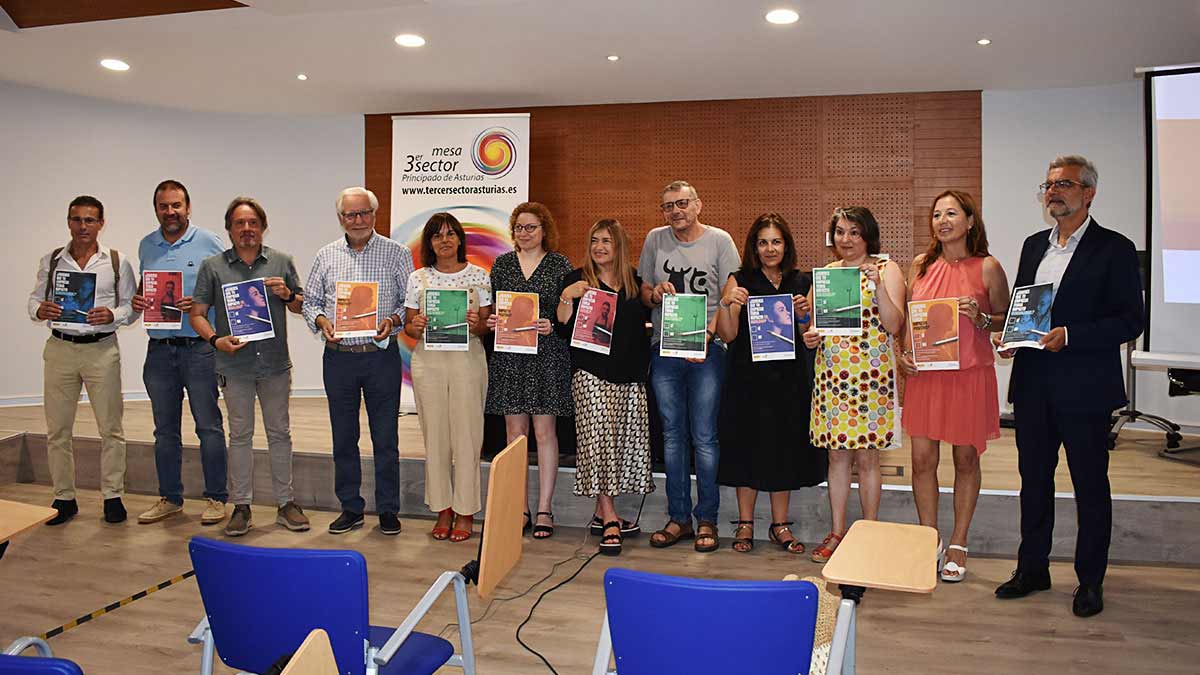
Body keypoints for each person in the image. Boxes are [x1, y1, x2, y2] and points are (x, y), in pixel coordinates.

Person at [993, 156, 1143, 618]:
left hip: (1086, 387)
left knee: (1089, 486)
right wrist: (1013, 338)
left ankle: (1090, 581)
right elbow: (1026, 308)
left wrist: (1071, 335)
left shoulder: (1115, 247)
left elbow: (1130, 320)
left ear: (1089, 193)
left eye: (1064, 184)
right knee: (1033, 483)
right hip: (1035, 384)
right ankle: (1033, 568)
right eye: (1049, 185)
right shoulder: (1033, 245)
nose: (1053, 191)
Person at [897, 191, 1009, 582]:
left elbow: (1004, 321)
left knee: (966, 460)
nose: (943, 220)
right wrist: (903, 354)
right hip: (927, 377)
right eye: (937, 214)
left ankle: (959, 541)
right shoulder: (919, 266)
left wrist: (981, 318)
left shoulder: (988, 267)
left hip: (969, 377)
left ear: (970, 221)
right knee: (923, 461)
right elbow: (909, 322)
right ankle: (930, 538)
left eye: (952, 213)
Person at [191, 196, 309, 537]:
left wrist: (288, 294)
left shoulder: (282, 262)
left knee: (279, 434)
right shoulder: (213, 267)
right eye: (239, 224)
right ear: (229, 229)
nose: (247, 230)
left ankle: (286, 503)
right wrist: (216, 341)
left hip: (274, 365)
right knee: (239, 435)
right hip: (235, 366)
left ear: (263, 227)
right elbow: (197, 314)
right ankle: (241, 506)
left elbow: (302, 306)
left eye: (253, 223)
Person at [303, 187, 412, 536]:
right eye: (351, 215)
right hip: (339, 359)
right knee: (343, 438)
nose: (358, 220)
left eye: (364, 213)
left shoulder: (397, 253)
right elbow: (311, 302)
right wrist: (322, 322)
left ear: (375, 214)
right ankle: (351, 507)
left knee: (386, 438)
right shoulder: (325, 255)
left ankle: (388, 510)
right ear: (340, 219)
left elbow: (408, 304)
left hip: (380, 357)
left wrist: (392, 322)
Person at [639, 180, 740, 553]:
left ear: (698, 204)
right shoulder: (655, 239)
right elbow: (643, 290)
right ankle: (679, 518)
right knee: (672, 436)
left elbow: (730, 292)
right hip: (664, 349)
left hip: (707, 350)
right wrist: (655, 293)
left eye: (682, 203)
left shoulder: (720, 241)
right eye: (668, 206)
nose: (676, 211)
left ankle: (708, 518)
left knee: (705, 437)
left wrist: (710, 332)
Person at [716, 213, 826, 554]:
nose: (769, 248)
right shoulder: (739, 279)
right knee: (746, 449)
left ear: (786, 245)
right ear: (754, 246)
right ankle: (745, 524)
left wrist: (806, 314)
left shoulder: (801, 281)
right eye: (763, 242)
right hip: (747, 379)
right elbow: (727, 334)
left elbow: (811, 335)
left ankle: (780, 525)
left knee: (783, 450)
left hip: (788, 380)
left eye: (776, 241)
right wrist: (728, 305)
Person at [802, 206, 905, 562]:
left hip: (870, 376)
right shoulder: (827, 274)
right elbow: (812, 326)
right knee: (836, 456)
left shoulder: (887, 269)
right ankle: (837, 531)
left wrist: (876, 285)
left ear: (868, 235)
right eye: (840, 232)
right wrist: (810, 336)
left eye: (854, 232)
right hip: (832, 375)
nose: (846, 239)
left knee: (868, 458)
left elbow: (894, 324)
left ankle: (871, 531)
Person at [28, 195, 137, 525]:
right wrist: (38, 310)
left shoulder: (117, 262)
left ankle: (113, 496)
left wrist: (112, 314)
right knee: (57, 429)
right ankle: (64, 498)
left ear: (102, 223)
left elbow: (132, 309)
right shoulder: (52, 262)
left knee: (111, 428)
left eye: (90, 220)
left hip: (101, 350)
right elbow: (34, 300)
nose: (83, 226)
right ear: (68, 222)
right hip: (60, 349)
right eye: (77, 219)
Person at [131, 180, 230, 526]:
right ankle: (170, 498)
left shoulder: (209, 242)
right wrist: (138, 301)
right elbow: (145, 291)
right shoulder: (146, 245)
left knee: (209, 427)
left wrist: (201, 303)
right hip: (159, 350)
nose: (170, 212)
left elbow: (226, 289)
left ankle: (217, 498)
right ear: (156, 209)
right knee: (164, 431)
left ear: (188, 207)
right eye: (164, 206)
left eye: (176, 205)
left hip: (199, 349)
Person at [556, 219, 654, 556]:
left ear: (620, 246)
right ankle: (610, 516)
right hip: (590, 373)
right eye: (595, 240)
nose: (599, 247)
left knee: (619, 444)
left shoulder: (632, 283)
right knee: (597, 442)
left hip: (627, 376)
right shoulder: (576, 280)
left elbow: (646, 315)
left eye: (607, 241)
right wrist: (567, 297)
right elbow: (561, 324)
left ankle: (602, 512)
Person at [486, 202, 573, 538]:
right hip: (510, 357)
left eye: (531, 227)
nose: (524, 233)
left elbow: (567, 313)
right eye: (519, 227)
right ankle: (518, 508)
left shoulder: (559, 264)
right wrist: (494, 320)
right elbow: (496, 308)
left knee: (544, 433)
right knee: (514, 436)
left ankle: (544, 508)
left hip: (547, 356)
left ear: (544, 230)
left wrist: (552, 324)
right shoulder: (502, 264)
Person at [403, 212, 491, 542]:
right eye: (437, 235)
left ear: (459, 239)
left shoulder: (480, 276)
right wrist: (417, 326)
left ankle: (466, 510)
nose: (445, 240)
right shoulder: (418, 278)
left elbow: (486, 324)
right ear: (429, 243)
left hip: (467, 359)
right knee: (436, 436)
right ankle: (442, 508)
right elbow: (410, 326)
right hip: (429, 361)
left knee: (468, 436)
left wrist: (476, 324)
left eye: (451, 234)